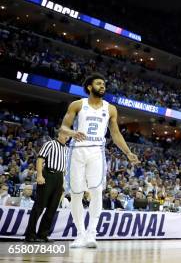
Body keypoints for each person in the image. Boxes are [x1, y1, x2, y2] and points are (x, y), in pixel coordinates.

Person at [59, 73, 139, 249]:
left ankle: (91, 234)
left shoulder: (110, 108)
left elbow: (115, 134)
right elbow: (63, 128)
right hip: (76, 151)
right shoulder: (78, 104)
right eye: (99, 83)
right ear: (89, 87)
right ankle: (80, 234)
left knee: (96, 191)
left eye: (104, 84)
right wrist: (72, 133)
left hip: (96, 151)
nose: (103, 86)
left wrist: (128, 152)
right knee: (77, 194)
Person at [24, 129, 70, 242]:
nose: (66, 137)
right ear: (59, 134)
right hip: (48, 174)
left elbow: (64, 168)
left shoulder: (67, 149)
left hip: (59, 177)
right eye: (64, 134)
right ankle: (30, 234)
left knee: (52, 208)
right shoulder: (50, 144)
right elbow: (40, 160)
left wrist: (63, 182)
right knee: (39, 206)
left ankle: (42, 234)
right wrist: (39, 175)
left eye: (68, 135)